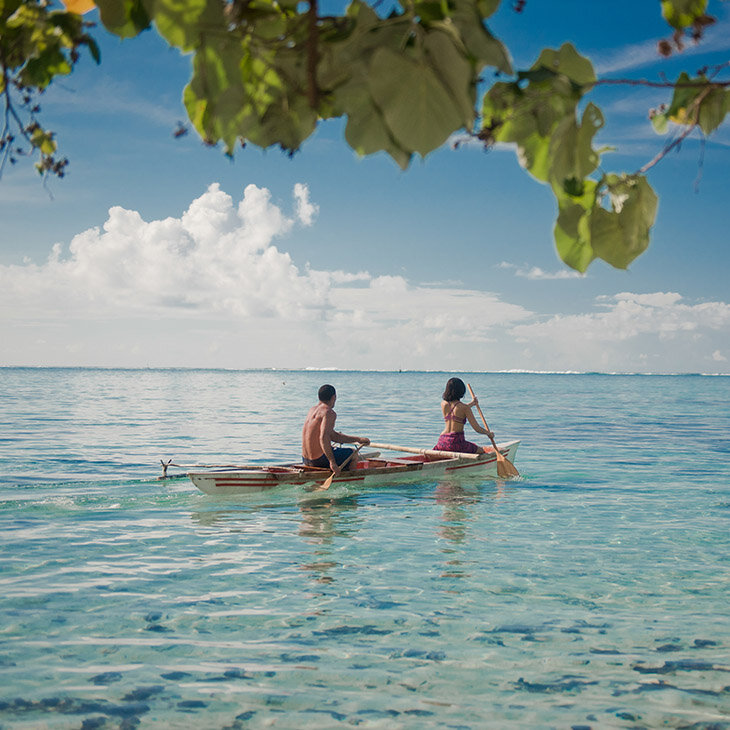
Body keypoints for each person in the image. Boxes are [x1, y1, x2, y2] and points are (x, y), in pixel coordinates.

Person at [302, 384, 370, 474]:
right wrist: (332, 462)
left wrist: (359, 439)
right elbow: (324, 437)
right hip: (318, 460)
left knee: (333, 449)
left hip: (305, 459)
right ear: (334, 397)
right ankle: (352, 482)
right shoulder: (328, 412)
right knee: (353, 454)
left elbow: (333, 436)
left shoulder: (312, 410)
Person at [434, 377, 494, 454]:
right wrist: (489, 433)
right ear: (461, 391)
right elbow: (477, 428)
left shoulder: (443, 404)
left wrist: (472, 403)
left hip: (442, 441)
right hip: (456, 443)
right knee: (482, 451)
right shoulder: (465, 408)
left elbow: (455, 412)